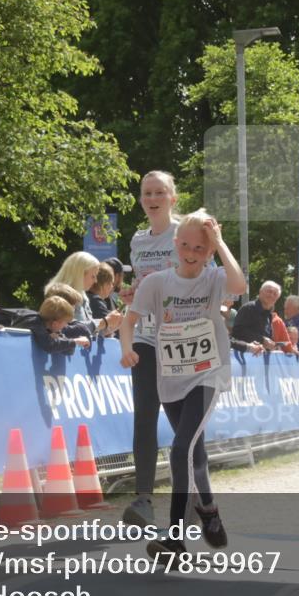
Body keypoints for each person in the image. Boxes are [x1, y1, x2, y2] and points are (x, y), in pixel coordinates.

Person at [120, 210, 246, 557]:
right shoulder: (157, 283)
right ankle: (209, 509)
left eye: (200, 249)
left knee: (180, 448)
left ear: (210, 251)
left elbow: (238, 286)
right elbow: (129, 321)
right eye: (186, 246)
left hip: (207, 374)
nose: (192, 254)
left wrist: (219, 242)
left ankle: (175, 539)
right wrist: (127, 348)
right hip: (172, 376)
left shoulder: (214, 278)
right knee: (195, 453)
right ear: (176, 244)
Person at [118, 170, 183, 528]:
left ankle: (193, 496)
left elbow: (203, 279)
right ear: (141, 199)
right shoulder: (138, 240)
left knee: (181, 423)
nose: (153, 198)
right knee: (144, 417)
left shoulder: (186, 232)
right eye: (147, 193)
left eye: (160, 192)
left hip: (180, 340)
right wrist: (132, 293)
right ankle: (143, 499)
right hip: (145, 337)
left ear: (173, 197)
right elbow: (140, 285)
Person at [47, 251, 122, 333]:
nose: (95, 281)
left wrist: (111, 325)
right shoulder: (61, 295)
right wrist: (105, 322)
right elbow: (66, 329)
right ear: (80, 274)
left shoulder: (83, 296)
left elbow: (88, 331)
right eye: (93, 276)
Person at [13, 295, 91, 354]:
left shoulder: (50, 328)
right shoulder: (35, 322)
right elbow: (50, 346)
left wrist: (62, 339)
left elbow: (69, 351)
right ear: (55, 324)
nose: (66, 326)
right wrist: (76, 341)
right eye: (65, 323)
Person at [231, 280, 280, 355]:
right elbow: (237, 331)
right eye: (269, 291)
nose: (271, 295)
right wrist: (262, 340)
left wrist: (270, 345)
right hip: (245, 355)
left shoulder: (269, 315)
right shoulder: (248, 308)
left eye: (275, 294)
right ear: (260, 292)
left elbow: (265, 337)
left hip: (259, 357)